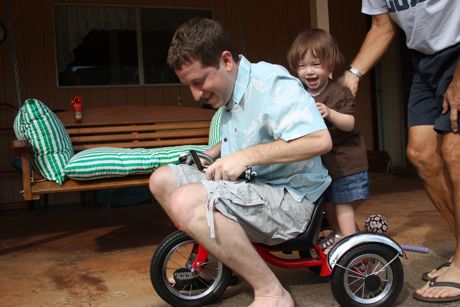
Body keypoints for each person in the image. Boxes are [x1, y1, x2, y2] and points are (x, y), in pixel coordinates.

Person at [149, 17, 332, 307]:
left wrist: (244, 157)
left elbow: (318, 141)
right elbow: (254, 133)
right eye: (189, 86)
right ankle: (218, 265)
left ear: (226, 60)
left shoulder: (271, 84)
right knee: (162, 180)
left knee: (187, 201)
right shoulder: (229, 93)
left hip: (292, 201)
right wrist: (216, 152)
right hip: (254, 189)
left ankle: (273, 292)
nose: (196, 94)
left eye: (199, 82)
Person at [340, 0, 460, 303]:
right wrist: (352, 75)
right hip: (425, 60)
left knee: (454, 153)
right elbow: (383, 26)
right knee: (421, 153)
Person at [287, 28, 369, 251]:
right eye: (302, 66)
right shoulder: (300, 94)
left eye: (315, 64)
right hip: (323, 167)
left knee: (342, 202)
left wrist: (331, 114)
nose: (309, 71)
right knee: (330, 203)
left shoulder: (338, 92)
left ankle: (351, 246)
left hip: (345, 163)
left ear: (330, 65)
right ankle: (342, 234)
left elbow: (350, 123)